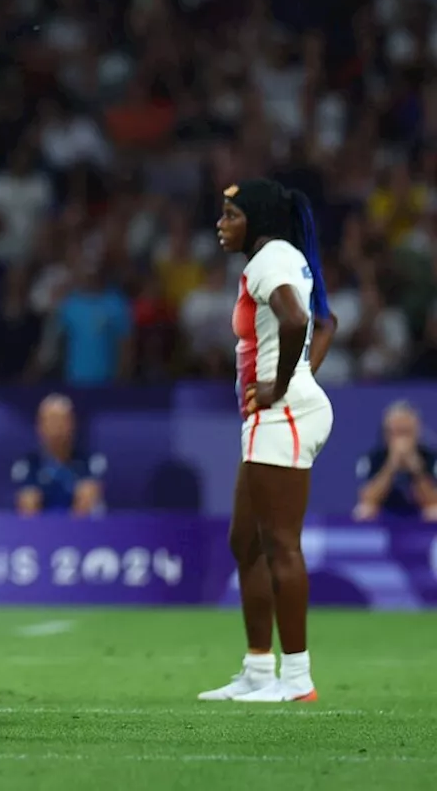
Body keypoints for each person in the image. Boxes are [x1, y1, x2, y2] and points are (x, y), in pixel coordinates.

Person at [198, 179, 336, 704]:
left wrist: (280, 386)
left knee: (280, 545)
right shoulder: (280, 256)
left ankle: (297, 679)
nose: (221, 223)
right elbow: (326, 323)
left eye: (231, 214)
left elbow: (300, 319)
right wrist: (299, 377)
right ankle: (258, 671)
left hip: (283, 416)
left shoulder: (269, 259)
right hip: (274, 418)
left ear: (255, 221)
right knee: (246, 541)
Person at [10, 394, 105, 517]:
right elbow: (27, 506)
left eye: (62, 420)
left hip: (79, 529)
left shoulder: (90, 461)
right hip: (41, 530)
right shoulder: (27, 464)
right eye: (51, 420)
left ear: (73, 424)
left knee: (88, 492)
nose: (57, 427)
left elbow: (89, 500)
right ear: (39, 426)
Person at [353, 401, 437, 521]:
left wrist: (416, 470)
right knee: (363, 511)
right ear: (386, 434)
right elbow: (367, 498)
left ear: (417, 432)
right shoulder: (374, 458)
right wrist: (391, 466)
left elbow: (433, 500)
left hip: (418, 515)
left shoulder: (430, 457)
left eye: (406, 432)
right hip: (385, 514)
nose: (401, 440)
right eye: (396, 433)